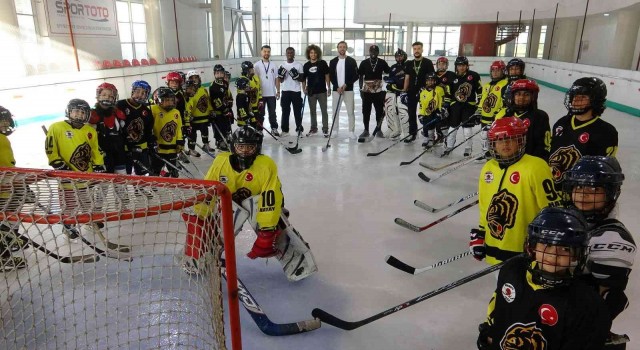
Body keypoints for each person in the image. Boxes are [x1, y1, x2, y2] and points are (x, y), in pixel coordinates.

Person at [181, 126, 317, 281]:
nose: (244, 152)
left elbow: (271, 197)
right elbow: (208, 191)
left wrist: (267, 231)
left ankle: (297, 261)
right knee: (214, 224)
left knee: (274, 221)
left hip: (260, 206)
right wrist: (201, 217)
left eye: (249, 147)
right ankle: (200, 255)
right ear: (233, 147)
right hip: (229, 205)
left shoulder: (266, 165)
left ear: (257, 148)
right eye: (240, 147)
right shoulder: (221, 162)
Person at [477, 207, 611, 350]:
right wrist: (491, 333)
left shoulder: (586, 304)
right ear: (532, 247)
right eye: (546, 245)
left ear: (577, 254)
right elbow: (498, 307)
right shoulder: (513, 270)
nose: (553, 255)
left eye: (565, 249)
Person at [562, 156, 635, 346]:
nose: (582, 194)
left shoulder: (613, 238)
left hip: (577, 328)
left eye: (593, 189)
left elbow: (609, 299)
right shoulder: (570, 222)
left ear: (610, 193)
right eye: (578, 187)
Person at [469, 117, 557, 266]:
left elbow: (551, 208)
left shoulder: (536, 166)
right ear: (493, 144)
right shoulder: (488, 168)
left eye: (511, 139)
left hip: (526, 247)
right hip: (494, 244)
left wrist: (547, 242)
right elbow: (485, 206)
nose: (505, 144)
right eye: (499, 140)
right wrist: (481, 233)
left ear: (521, 141)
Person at [45, 99, 106, 239]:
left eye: (82, 112)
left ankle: (89, 220)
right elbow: (50, 148)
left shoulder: (90, 130)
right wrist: (56, 162)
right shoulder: (56, 127)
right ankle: (69, 226)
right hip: (66, 175)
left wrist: (98, 164)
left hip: (86, 175)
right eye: (76, 111)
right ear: (69, 111)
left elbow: (95, 150)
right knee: (69, 204)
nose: (79, 115)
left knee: (88, 201)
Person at [549, 77, 618, 191]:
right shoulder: (561, 123)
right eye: (574, 96)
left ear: (595, 100)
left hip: (581, 192)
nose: (576, 100)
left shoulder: (606, 132)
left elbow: (603, 170)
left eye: (583, 97)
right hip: (553, 188)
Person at [495, 79, 551, 161]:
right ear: (513, 96)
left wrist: (533, 163)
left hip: (531, 163)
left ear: (533, 97)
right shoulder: (506, 116)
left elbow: (544, 146)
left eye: (526, 94)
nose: (521, 97)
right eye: (518, 94)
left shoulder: (540, 116)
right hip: (510, 161)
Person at [0, 106, 27, 271]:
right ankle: (4, 255)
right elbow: (7, 169)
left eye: (6, 121)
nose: (5, 124)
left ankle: (9, 241)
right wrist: (20, 184)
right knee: (10, 218)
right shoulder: (2, 140)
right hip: (4, 189)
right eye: (2, 121)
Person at [115, 80, 155, 175]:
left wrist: (150, 145)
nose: (140, 95)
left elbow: (148, 130)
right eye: (137, 91)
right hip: (125, 150)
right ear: (133, 91)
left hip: (141, 149)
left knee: (143, 176)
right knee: (126, 176)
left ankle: (141, 190)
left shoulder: (146, 111)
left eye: (143, 93)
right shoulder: (120, 105)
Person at [445, 56, 482, 156]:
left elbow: (480, 92)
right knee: (452, 128)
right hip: (455, 106)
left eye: (463, 65)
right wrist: (446, 106)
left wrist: (479, 106)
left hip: (469, 106)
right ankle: (449, 146)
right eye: (459, 65)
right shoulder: (452, 77)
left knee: (467, 129)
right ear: (456, 66)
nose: (461, 68)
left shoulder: (474, 76)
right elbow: (448, 93)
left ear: (467, 66)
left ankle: (468, 148)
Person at [89, 82, 127, 175]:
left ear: (114, 98)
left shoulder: (118, 114)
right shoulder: (91, 115)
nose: (107, 97)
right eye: (104, 94)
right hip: (102, 156)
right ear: (98, 96)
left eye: (110, 96)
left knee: (122, 181)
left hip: (118, 153)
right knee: (105, 184)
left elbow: (123, 132)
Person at [402, 41, 435, 143]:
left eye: (418, 49)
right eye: (415, 49)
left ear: (422, 50)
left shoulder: (427, 62)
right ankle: (413, 134)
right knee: (411, 114)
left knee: (426, 113)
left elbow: (432, 78)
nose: (416, 51)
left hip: (424, 92)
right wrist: (404, 91)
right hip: (411, 92)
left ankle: (427, 134)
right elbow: (407, 78)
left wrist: (427, 89)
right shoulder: (409, 63)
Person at [149, 87, 184, 178]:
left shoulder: (176, 112)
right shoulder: (153, 109)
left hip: (172, 148)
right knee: (154, 171)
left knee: (174, 172)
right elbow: (148, 126)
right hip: (158, 149)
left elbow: (179, 128)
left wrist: (180, 141)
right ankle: (154, 187)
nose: (169, 102)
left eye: (171, 100)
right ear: (159, 100)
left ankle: (174, 187)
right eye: (166, 100)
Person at [476, 61, 509, 157]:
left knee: (495, 137)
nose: (495, 72)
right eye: (493, 70)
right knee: (483, 136)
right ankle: (485, 152)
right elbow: (482, 99)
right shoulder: (487, 85)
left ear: (503, 71)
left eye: (498, 70)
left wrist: (497, 115)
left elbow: (506, 103)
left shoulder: (505, 84)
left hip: (496, 118)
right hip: (485, 116)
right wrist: (478, 111)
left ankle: (495, 154)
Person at [357, 44, 390, 138]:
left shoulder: (382, 62)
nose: (373, 53)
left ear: (378, 53)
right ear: (369, 52)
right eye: (372, 51)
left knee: (379, 111)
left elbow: (389, 72)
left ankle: (379, 130)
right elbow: (360, 77)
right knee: (366, 111)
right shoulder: (364, 63)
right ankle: (366, 130)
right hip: (367, 92)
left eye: (375, 51)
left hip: (378, 92)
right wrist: (360, 89)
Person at [329, 41, 359, 139]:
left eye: (344, 47)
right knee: (335, 111)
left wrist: (346, 84)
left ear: (346, 49)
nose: (342, 49)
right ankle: (334, 130)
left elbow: (356, 75)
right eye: (340, 47)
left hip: (348, 90)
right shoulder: (333, 61)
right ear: (337, 48)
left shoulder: (351, 61)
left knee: (350, 111)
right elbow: (331, 76)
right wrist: (336, 86)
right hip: (336, 90)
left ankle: (351, 131)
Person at [302, 44, 331, 137]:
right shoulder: (306, 65)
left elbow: (327, 75)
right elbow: (304, 79)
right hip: (311, 92)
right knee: (312, 111)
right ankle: (313, 128)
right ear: (308, 54)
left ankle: (325, 129)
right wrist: (304, 88)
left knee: (324, 111)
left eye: (314, 53)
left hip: (322, 91)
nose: (313, 54)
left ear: (317, 54)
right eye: (311, 53)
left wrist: (329, 87)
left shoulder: (322, 63)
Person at [184, 70, 213, 156]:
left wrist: (211, 110)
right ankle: (191, 149)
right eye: (192, 78)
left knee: (205, 132)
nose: (194, 80)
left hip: (204, 116)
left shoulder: (203, 89)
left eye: (196, 78)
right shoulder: (188, 92)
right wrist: (187, 118)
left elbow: (208, 101)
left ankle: (206, 144)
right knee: (192, 135)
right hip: (193, 118)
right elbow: (188, 106)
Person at [277, 47, 305, 136]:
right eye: (288, 53)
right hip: (285, 91)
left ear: (294, 54)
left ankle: (299, 130)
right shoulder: (282, 65)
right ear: (286, 54)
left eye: (291, 53)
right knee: (285, 111)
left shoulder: (299, 65)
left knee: (297, 111)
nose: (289, 54)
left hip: (296, 91)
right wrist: (281, 75)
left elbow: (302, 79)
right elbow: (280, 80)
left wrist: (297, 76)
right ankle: (285, 131)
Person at [254, 45, 281, 136]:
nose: (267, 53)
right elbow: (254, 80)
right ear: (261, 52)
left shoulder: (273, 65)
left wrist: (278, 91)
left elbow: (277, 79)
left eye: (268, 51)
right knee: (260, 113)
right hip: (260, 95)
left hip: (271, 94)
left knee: (272, 113)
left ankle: (274, 128)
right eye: (265, 51)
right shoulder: (256, 65)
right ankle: (259, 129)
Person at [383, 49, 409, 139]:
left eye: (400, 56)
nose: (399, 58)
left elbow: (406, 80)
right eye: (397, 56)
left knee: (403, 112)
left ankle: (407, 132)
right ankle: (394, 129)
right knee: (390, 110)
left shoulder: (407, 66)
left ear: (404, 56)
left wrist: (395, 80)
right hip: (392, 92)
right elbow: (390, 80)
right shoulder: (393, 67)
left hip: (403, 92)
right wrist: (389, 81)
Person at [417, 72, 446, 148]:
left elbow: (442, 101)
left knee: (435, 126)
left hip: (436, 111)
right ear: (426, 81)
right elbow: (421, 104)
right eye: (428, 80)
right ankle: (427, 139)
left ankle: (433, 139)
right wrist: (421, 114)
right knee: (426, 125)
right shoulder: (422, 91)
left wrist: (441, 110)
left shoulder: (439, 89)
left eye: (432, 80)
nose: (430, 82)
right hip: (427, 112)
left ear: (435, 81)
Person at [209, 64, 233, 150]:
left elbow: (226, 95)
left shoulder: (225, 83)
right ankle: (219, 141)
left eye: (221, 73)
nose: (219, 75)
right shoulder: (213, 87)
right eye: (217, 73)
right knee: (219, 126)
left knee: (226, 125)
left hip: (226, 109)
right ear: (214, 74)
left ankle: (226, 136)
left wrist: (229, 104)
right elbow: (216, 102)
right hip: (218, 112)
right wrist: (224, 110)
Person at [435, 56, 457, 141]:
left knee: (445, 120)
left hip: (448, 103)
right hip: (436, 103)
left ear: (447, 65)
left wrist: (449, 103)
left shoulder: (451, 75)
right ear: (437, 65)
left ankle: (447, 139)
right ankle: (439, 135)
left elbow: (455, 90)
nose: (441, 66)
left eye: (443, 64)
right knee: (437, 120)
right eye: (439, 64)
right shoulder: (433, 75)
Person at [240, 61, 263, 128]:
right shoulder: (242, 81)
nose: (253, 71)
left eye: (252, 69)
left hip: (257, 107)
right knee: (250, 127)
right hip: (248, 109)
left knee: (259, 123)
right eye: (250, 69)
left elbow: (259, 89)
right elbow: (242, 96)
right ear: (245, 71)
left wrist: (261, 99)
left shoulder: (256, 78)